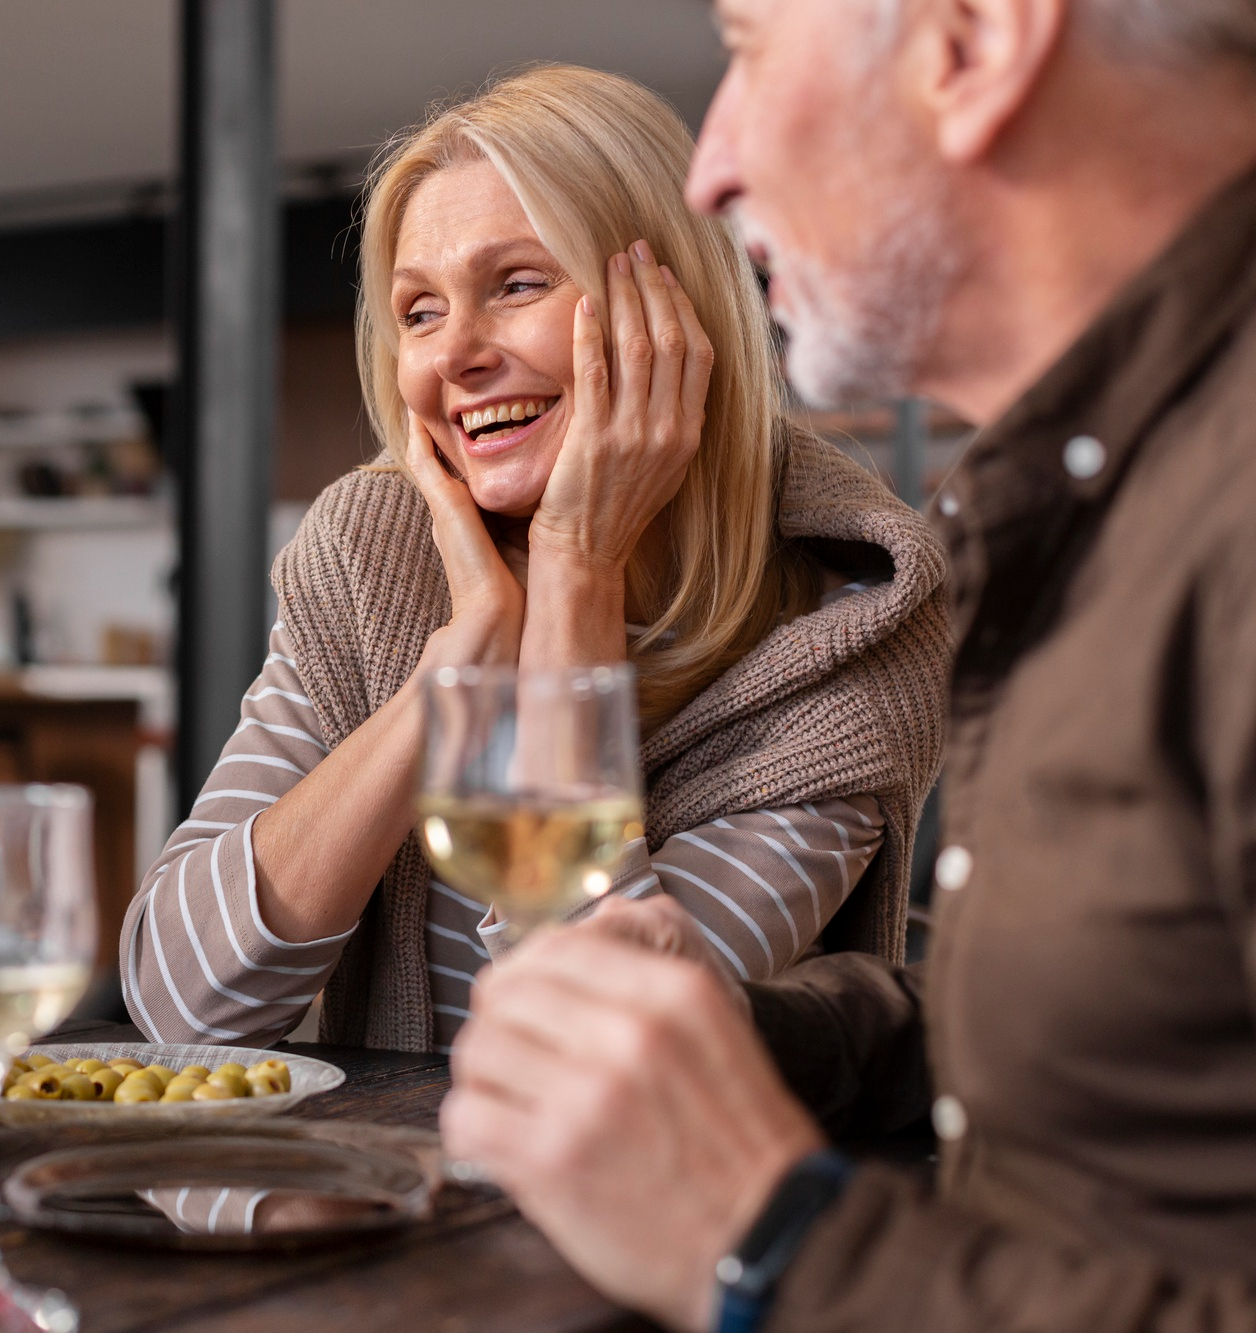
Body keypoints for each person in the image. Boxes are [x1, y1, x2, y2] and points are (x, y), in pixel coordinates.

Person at [440, 0, 1256, 1330]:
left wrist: (769, 1238)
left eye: (750, 46)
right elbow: (1142, 1023)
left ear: (974, 44)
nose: (714, 167)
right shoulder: (1107, 484)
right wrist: (770, 1041)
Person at [121, 65, 951, 1054]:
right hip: (383, 1196)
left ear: (671, 319)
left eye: (514, 284)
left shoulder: (849, 635)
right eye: (419, 312)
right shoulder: (372, 554)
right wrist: (451, 673)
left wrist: (574, 571)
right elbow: (179, 1006)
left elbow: (602, 1051)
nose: (455, 355)